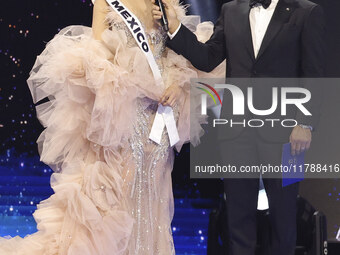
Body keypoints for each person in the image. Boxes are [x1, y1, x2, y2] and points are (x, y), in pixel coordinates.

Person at [0, 0, 224, 254]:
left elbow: (179, 53)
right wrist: (138, 86)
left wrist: (176, 83)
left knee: (153, 191)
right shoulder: (107, 3)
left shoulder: (164, 3)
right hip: (122, 116)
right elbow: (96, 59)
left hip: (158, 118)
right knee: (118, 192)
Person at [152, 0, 325, 254]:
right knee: (237, 223)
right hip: (237, 133)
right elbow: (208, 57)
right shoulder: (231, 10)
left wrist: (305, 122)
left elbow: (314, 74)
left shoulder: (306, 12)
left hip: (286, 135)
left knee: (283, 222)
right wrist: (175, 27)